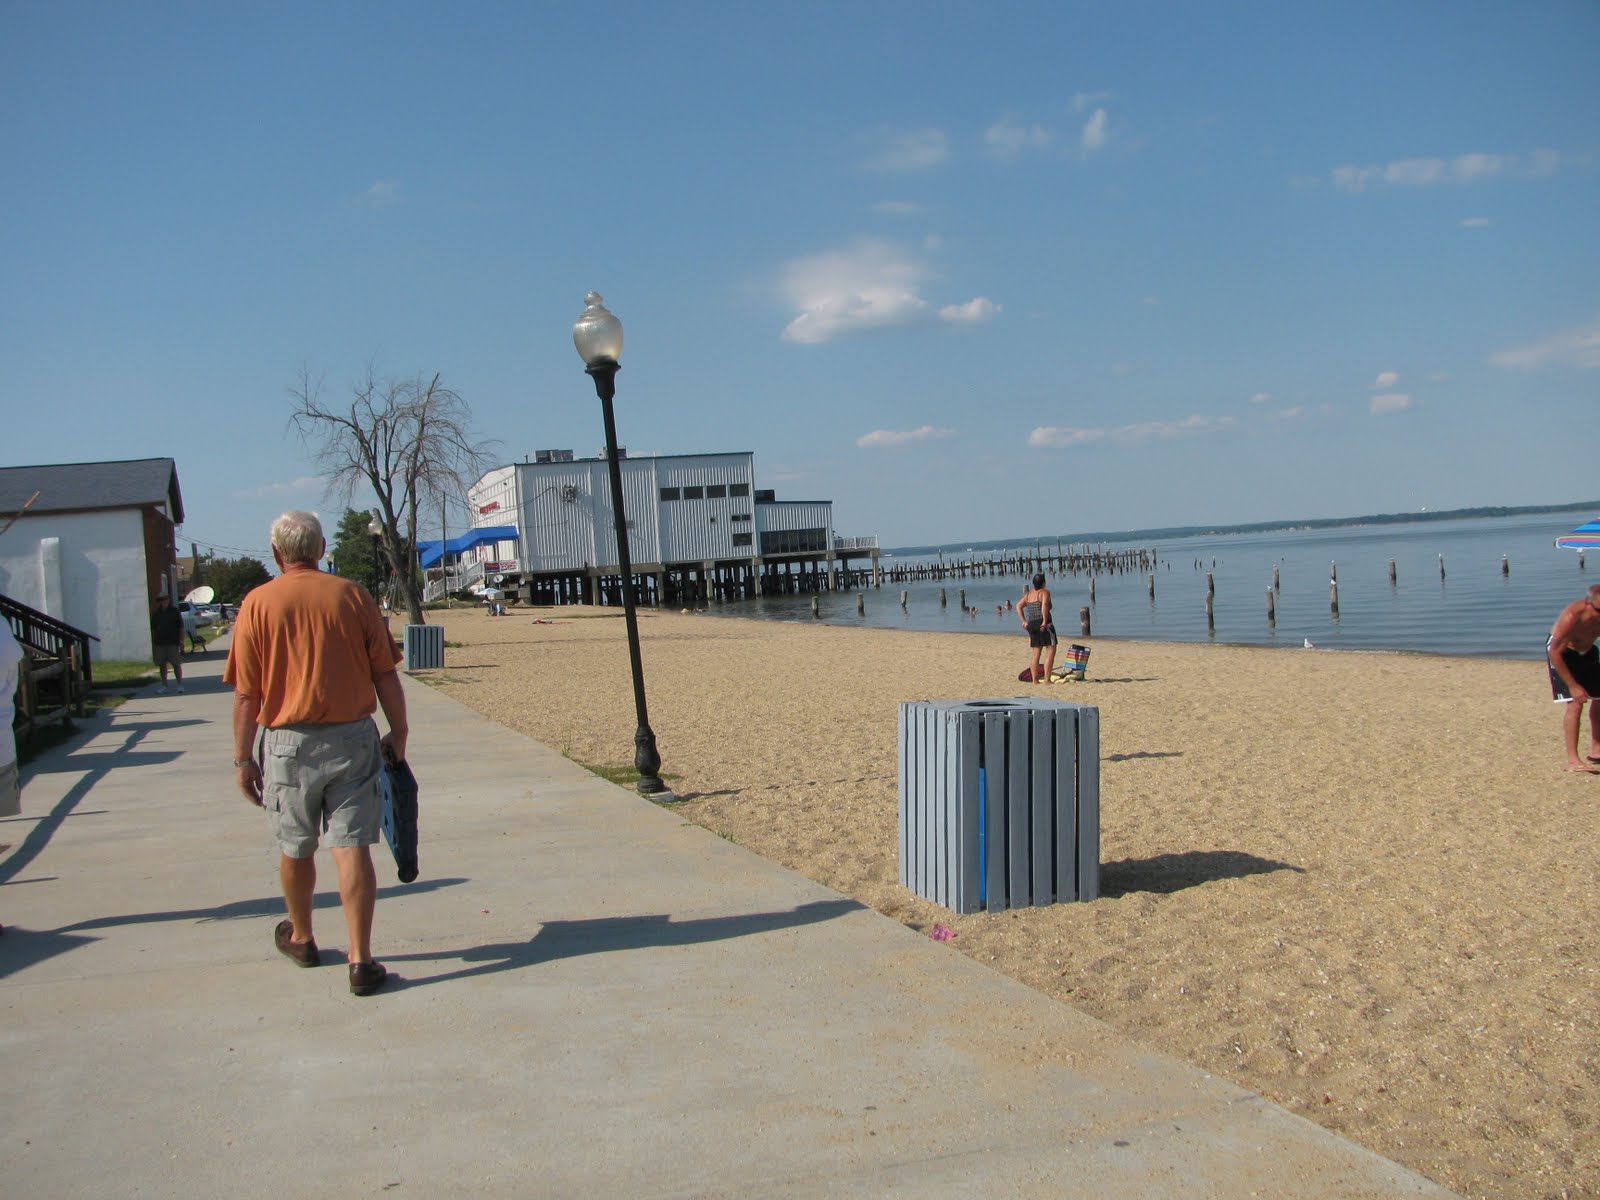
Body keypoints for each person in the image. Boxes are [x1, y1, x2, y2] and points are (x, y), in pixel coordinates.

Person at [224, 511, 409, 996]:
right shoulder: (352, 596)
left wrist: (243, 758)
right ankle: (361, 958)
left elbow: (247, 694)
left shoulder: (257, 604)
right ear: (322, 547)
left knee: (296, 843)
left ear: (276, 553)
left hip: (288, 741)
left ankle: (302, 936)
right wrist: (400, 730)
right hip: (352, 736)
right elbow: (385, 672)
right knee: (351, 845)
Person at [1546, 582, 1600, 773]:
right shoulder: (1573, 616)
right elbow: (1554, 652)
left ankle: (1596, 748)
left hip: (1588, 651)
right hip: (1563, 654)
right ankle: (1573, 760)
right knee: (1575, 702)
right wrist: (1573, 685)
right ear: (1588, 604)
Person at [1019, 573, 1057, 684]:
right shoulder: (1044, 592)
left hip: (1032, 624)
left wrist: (1024, 621)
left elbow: (1018, 606)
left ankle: (1035, 680)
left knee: (1036, 652)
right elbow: (1044, 605)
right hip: (1043, 623)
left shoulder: (1028, 595)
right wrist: (1045, 621)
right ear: (1043, 583)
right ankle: (1046, 679)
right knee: (1051, 650)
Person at [149, 594, 185, 694]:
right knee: (162, 664)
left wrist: (181, 641)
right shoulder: (156, 613)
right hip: (160, 643)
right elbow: (153, 629)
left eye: (164, 599)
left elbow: (181, 627)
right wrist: (153, 643)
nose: (163, 602)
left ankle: (179, 685)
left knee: (176, 664)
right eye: (160, 600)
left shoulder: (174, 611)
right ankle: (164, 685)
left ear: (168, 600)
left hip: (173, 642)